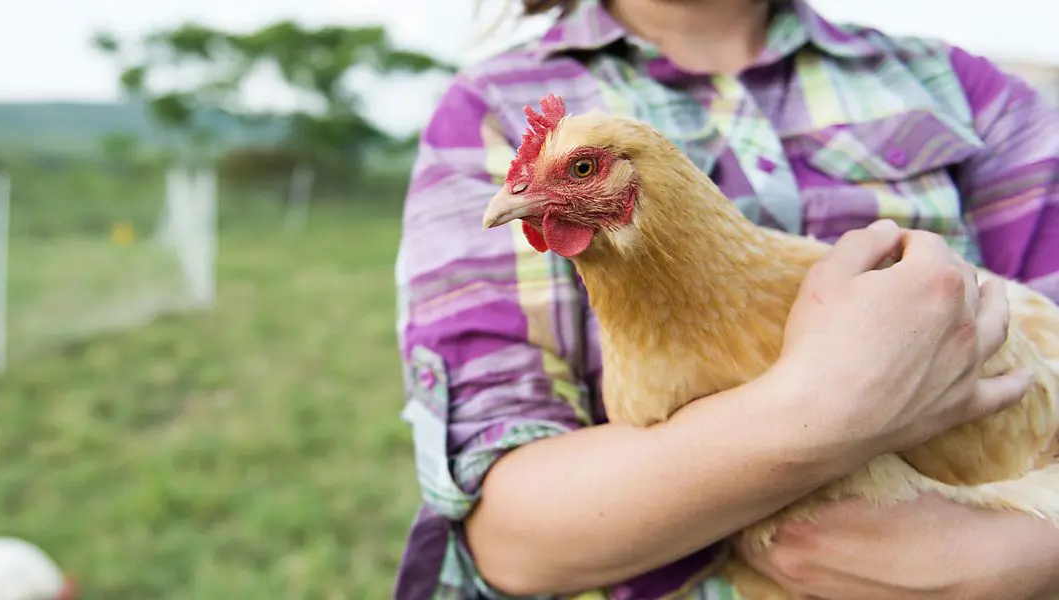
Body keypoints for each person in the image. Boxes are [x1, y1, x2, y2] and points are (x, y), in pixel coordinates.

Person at [392, 0, 1059, 598]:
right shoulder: (486, 106)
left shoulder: (968, 94)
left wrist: (1032, 562)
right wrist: (814, 414)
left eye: (583, 170)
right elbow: (508, 542)